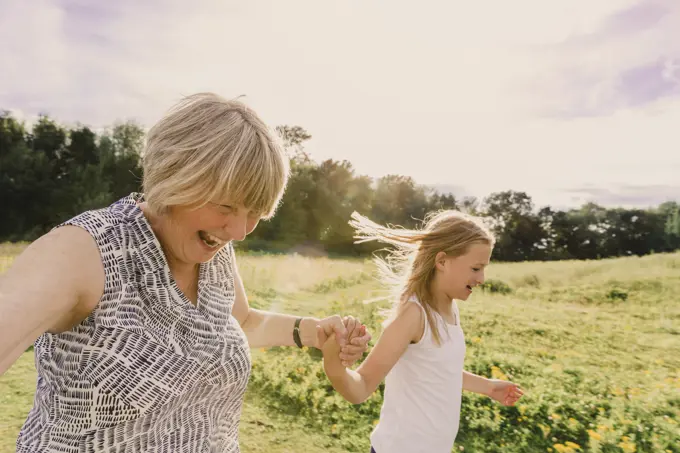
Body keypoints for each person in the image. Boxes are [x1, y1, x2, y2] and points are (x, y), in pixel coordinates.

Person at [0, 92, 372, 452]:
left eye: (256, 212)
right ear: (173, 179)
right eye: (226, 205)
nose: (239, 231)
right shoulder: (87, 250)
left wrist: (313, 331)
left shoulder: (214, 250)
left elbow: (237, 323)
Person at [319, 210, 525, 453]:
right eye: (476, 268)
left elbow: (438, 371)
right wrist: (333, 365)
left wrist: (488, 387)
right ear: (442, 261)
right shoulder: (414, 315)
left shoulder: (450, 308)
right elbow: (362, 386)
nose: (482, 278)